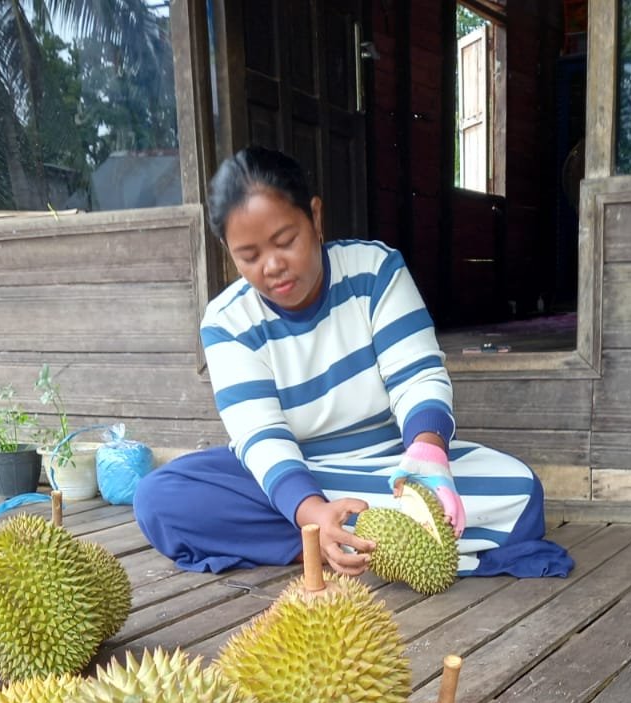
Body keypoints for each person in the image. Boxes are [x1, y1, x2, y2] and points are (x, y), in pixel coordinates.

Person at [132, 145, 574, 581]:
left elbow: (416, 375)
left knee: (521, 492)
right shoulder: (227, 322)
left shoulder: (375, 270)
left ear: (316, 218)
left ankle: (334, 540)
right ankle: (339, 535)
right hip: (294, 477)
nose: (272, 266)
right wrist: (314, 510)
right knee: (160, 498)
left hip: (393, 466)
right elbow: (261, 438)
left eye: (286, 241)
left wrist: (428, 451)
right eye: (248, 256)